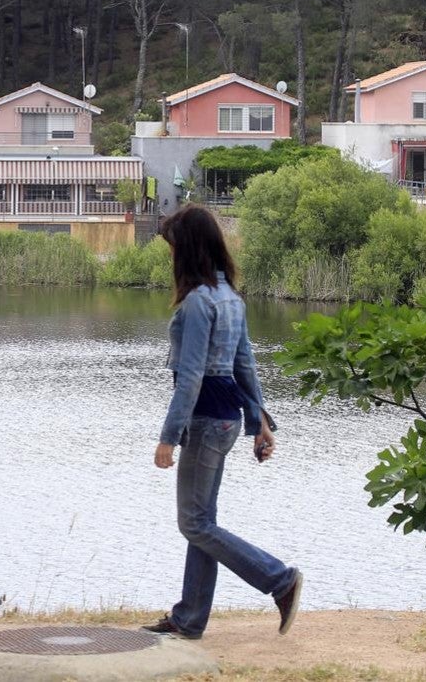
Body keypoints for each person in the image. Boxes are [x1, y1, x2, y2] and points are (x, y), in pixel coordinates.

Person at [142, 205, 302, 640]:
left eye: (174, 247)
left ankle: (278, 579)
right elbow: (245, 365)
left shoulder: (197, 302)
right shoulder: (230, 296)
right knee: (203, 521)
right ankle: (189, 619)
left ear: (187, 249)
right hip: (226, 420)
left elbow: (191, 376)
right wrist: (259, 422)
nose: (171, 255)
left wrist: (168, 438)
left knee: (193, 523)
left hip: (206, 420)